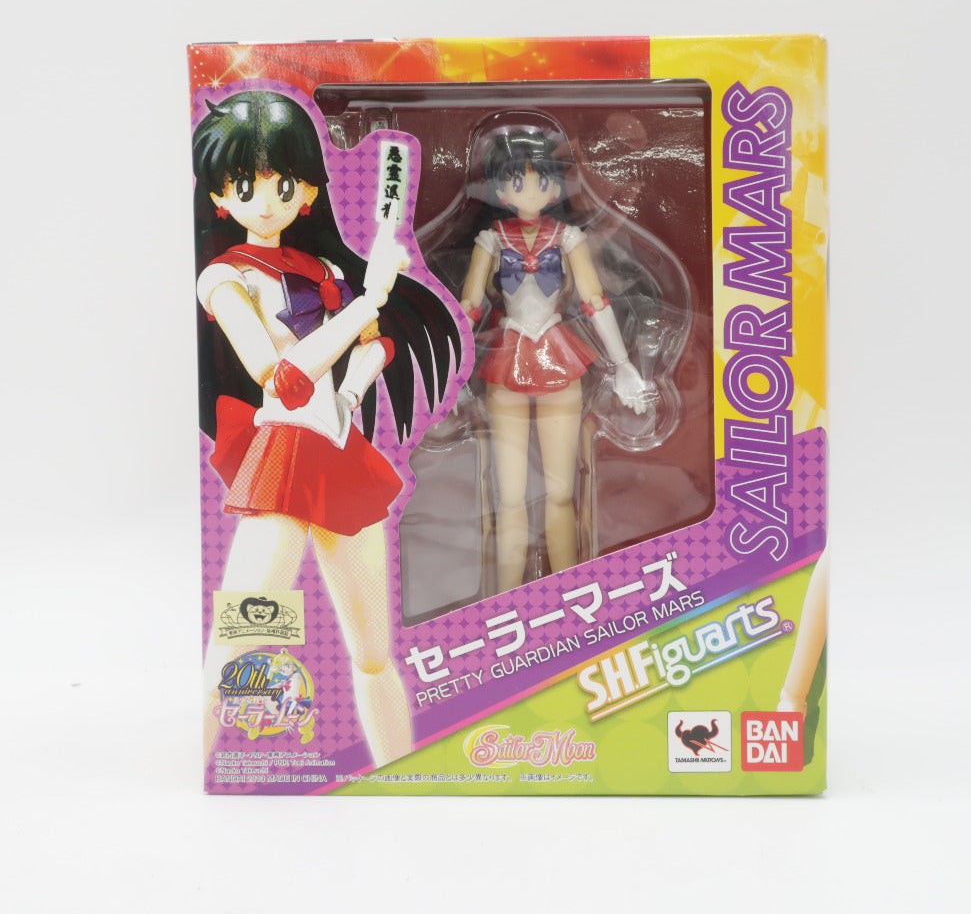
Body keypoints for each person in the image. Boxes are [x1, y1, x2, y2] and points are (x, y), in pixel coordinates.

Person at [193, 89, 460, 765]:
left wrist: (354, 380)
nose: (266, 201)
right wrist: (368, 301)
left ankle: (399, 773)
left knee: (373, 654)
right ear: (220, 196)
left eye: (282, 184)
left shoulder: (328, 271)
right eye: (245, 186)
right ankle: (214, 769)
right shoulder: (224, 277)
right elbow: (278, 375)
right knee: (239, 641)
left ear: (308, 191)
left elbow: (374, 349)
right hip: (282, 457)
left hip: (340, 451)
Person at [460, 130, 652, 590]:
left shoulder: (569, 238)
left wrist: (622, 364)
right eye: (516, 182)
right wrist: (450, 371)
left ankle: (568, 593)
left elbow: (595, 302)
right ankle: (504, 601)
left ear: (555, 189)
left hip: (557, 355)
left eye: (541, 181)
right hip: (507, 358)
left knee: (561, 493)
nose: (530, 191)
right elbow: (467, 308)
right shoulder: (490, 240)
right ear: (499, 191)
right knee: (508, 497)